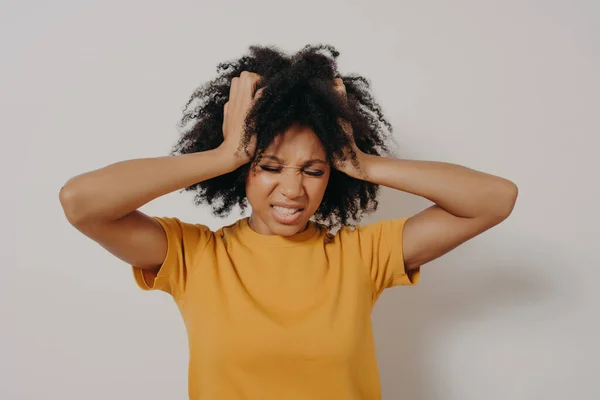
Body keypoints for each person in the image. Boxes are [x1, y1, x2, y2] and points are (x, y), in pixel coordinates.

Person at [59, 44, 518, 399]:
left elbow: (495, 199)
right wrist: (224, 154)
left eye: (314, 170)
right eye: (270, 167)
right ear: (243, 172)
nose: (293, 190)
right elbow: (81, 201)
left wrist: (360, 161)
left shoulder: (362, 256)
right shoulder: (194, 255)